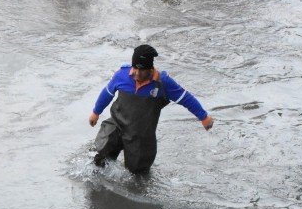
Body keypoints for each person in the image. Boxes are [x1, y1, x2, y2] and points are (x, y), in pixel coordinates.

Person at [89, 44, 213, 174]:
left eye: (141, 70)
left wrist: (204, 117)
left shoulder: (163, 83)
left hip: (141, 137)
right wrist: (96, 112)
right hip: (116, 125)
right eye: (135, 68)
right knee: (96, 158)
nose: (136, 73)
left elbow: (186, 98)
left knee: (137, 177)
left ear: (150, 69)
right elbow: (107, 93)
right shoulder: (122, 75)